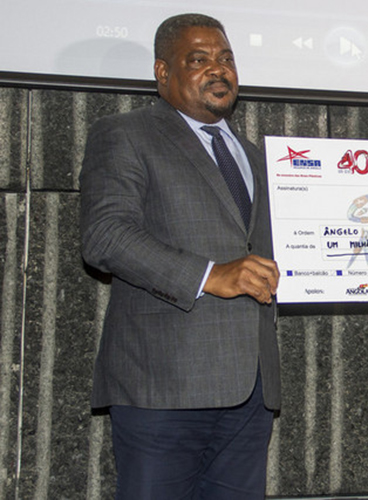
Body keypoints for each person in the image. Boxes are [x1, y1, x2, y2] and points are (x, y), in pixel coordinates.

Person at [79, 13, 280, 499]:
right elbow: (104, 235)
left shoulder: (256, 156)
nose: (218, 68)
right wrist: (210, 275)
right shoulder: (125, 134)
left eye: (226, 58)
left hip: (251, 391)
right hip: (163, 387)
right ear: (163, 72)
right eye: (199, 59)